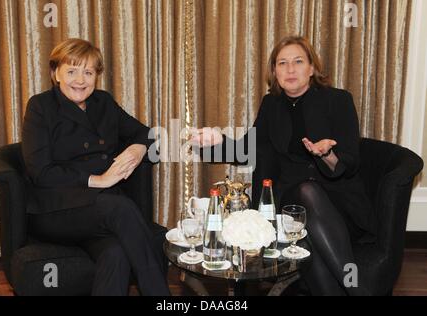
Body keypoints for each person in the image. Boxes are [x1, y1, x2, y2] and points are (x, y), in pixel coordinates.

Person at [191, 36, 377, 295]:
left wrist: (326, 154)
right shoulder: (271, 105)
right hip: (288, 204)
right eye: (282, 63)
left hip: (338, 203)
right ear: (274, 71)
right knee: (301, 207)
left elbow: (351, 162)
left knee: (307, 227)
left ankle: (356, 291)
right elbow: (247, 151)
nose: (290, 69)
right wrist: (217, 140)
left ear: (312, 69)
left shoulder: (338, 100)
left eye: (298, 61)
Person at [22, 38, 170, 296]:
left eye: (88, 72)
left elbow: (145, 132)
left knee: (116, 253)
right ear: (55, 73)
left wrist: (139, 147)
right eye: (71, 71)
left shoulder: (104, 102)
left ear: (96, 76)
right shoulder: (40, 107)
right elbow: (41, 172)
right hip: (56, 210)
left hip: (101, 213)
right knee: (121, 207)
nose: (80, 80)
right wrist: (98, 179)